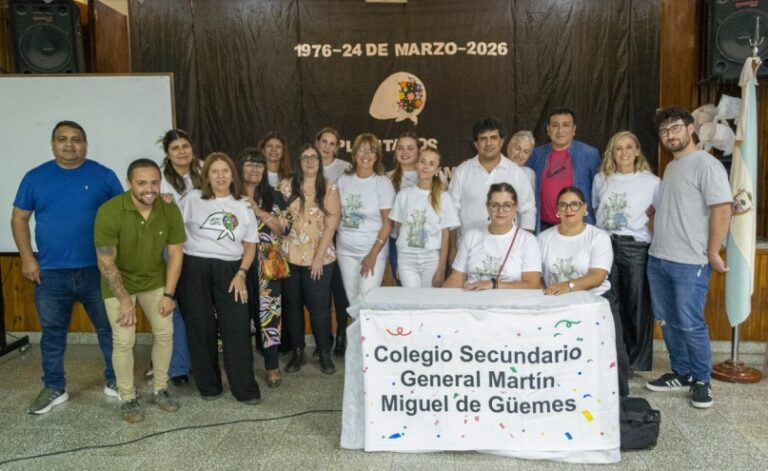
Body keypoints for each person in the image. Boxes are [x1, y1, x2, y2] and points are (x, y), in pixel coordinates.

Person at [12, 120, 123, 415]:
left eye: (76, 139)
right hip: (50, 273)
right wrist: (26, 258)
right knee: (52, 333)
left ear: (85, 144)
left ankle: (116, 381)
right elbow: (19, 219)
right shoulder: (35, 177)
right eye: (62, 139)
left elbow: (122, 217)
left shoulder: (104, 176)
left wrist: (113, 261)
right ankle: (53, 387)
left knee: (109, 329)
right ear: (53, 144)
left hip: (98, 272)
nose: (69, 144)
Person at [644, 106, 732, 409]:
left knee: (690, 322)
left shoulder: (706, 165)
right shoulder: (671, 167)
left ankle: (701, 380)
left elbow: (722, 208)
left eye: (675, 128)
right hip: (659, 258)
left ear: (690, 128)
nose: (670, 135)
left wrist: (712, 251)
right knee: (668, 321)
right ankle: (680, 373)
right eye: (664, 131)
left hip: (690, 261)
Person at [94, 159, 185, 423]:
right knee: (124, 340)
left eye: (154, 182)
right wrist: (124, 300)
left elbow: (176, 254)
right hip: (118, 283)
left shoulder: (168, 209)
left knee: (165, 332)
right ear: (129, 183)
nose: (149, 188)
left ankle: (161, 388)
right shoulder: (110, 211)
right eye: (142, 182)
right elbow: (106, 261)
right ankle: (127, 397)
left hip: (155, 281)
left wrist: (169, 294)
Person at [176, 152, 262, 404]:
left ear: (232, 175)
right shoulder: (191, 199)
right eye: (215, 171)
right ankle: (208, 386)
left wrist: (241, 274)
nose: (220, 176)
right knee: (200, 327)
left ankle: (245, 389)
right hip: (194, 268)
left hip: (231, 270)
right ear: (207, 176)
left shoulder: (243, 204)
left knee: (236, 327)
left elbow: (250, 245)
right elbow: (175, 235)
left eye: (225, 171)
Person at [538, 186, 630, 397]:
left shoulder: (598, 237)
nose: (569, 209)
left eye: (575, 204)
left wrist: (567, 286)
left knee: (613, 354)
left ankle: (620, 402)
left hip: (595, 302)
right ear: (557, 210)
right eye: (563, 205)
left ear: (585, 208)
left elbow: (597, 276)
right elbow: (539, 277)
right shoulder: (543, 238)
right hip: (555, 304)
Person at [593, 131, 660, 372]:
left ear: (638, 151)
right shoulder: (601, 179)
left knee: (637, 304)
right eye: (618, 148)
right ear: (612, 151)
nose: (624, 152)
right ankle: (613, 360)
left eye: (629, 147)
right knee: (610, 302)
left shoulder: (652, 182)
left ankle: (637, 363)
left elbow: (656, 216)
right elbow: (597, 209)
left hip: (635, 247)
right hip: (605, 246)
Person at [280, 144, 341, 374]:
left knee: (319, 309)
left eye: (313, 157)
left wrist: (317, 259)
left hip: (320, 259)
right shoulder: (286, 187)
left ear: (320, 161)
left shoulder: (329, 189)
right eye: (304, 157)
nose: (309, 161)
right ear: (298, 162)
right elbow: (279, 219)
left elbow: (331, 225)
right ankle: (297, 353)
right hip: (290, 258)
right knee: (293, 306)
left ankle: (324, 352)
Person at [148, 128, 199, 386]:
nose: (182, 152)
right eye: (175, 148)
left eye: (185, 146)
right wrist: (159, 202)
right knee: (171, 306)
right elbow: (145, 206)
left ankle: (193, 361)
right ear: (168, 154)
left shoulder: (204, 172)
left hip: (200, 250)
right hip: (169, 250)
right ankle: (177, 366)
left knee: (195, 309)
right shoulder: (159, 179)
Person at [448, 117, 536, 264]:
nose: (488, 143)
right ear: (475, 144)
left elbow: (528, 211)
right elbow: (451, 213)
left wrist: (523, 247)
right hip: (468, 250)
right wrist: (452, 248)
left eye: (493, 138)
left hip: (508, 250)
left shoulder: (516, 173)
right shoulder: (463, 171)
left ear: (502, 141)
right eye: (483, 139)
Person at [237, 148, 290, 387]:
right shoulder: (229, 195)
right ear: (239, 167)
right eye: (250, 164)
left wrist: (257, 211)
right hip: (237, 263)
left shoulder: (275, 196)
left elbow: (283, 229)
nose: (255, 169)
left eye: (259, 165)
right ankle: (241, 366)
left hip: (268, 263)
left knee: (270, 314)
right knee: (238, 314)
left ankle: (271, 366)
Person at [445, 182, 541, 290]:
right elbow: (456, 278)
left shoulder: (528, 240)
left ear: (515, 207)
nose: (501, 210)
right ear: (487, 207)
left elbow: (532, 284)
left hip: (509, 304)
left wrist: (493, 284)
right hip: (472, 301)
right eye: (495, 205)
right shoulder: (471, 236)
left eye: (507, 205)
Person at [336, 133, 395, 305]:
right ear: (354, 154)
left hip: (371, 250)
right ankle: (356, 333)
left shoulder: (382, 183)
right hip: (345, 251)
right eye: (362, 150)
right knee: (353, 301)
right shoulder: (343, 180)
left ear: (377, 157)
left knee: (367, 300)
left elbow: (388, 223)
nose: (366, 155)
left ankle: (365, 333)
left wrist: (372, 254)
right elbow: (335, 215)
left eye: (371, 151)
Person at [390, 147, 460, 288]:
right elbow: (399, 229)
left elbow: (445, 235)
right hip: (406, 258)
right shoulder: (404, 194)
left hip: (430, 258)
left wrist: (441, 269)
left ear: (437, 169)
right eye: (422, 162)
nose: (425, 167)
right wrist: (398, 263)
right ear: (416, 164)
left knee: (429, 301)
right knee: (411, 301)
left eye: (431, 163)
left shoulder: (443, 197)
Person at [527, 107, 601, 232]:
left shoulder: (590, 154)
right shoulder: (536, 154)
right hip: (544, 228)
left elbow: (600, 193)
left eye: (566, 125)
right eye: (555, 125)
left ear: (574, 129)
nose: (560, 130)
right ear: (548, 130)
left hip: (579, 229)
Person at [316, 127, 351, 356]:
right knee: (320, 290)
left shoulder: (345, 169)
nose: (327, 146)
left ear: (337, 147)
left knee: (340, 289)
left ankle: (342, 334)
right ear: (317, 142)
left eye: (332, 143)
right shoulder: (307, 163)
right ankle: (324, 337)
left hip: (338, 235)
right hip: (312, 236)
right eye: (324, 142)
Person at [386, 131, 421, 286]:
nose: (405, 152)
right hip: (397, 241)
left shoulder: (433, 176)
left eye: (410, 148)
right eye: (400, 148)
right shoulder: (387, 178)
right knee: (403, 288)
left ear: (418, 151)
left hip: (426, 242)